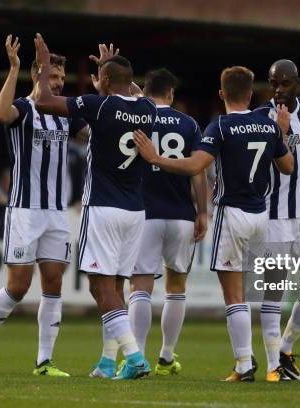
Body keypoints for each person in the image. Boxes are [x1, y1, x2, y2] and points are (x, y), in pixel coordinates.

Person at [134, 66, 294, 382]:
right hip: (260, 216)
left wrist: (156, 159)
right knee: (245, 292)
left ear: (222, 94)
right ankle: (252, 362)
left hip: (231, 214)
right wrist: (282, 133)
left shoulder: (220, 126)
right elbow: (288, 166)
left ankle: (244, 364)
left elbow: (196, 165)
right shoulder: (268, 125)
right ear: (250, 94)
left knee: (234, 296)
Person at [34, 34, 157, 380]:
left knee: (100, 288)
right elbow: (129, 91)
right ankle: (106, 362)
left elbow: (43, 100)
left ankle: (133, 359)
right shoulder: (146, 107)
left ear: (103, 82)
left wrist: (44, 65)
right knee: (116, 288)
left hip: (103, 207)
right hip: (135, 212)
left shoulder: (98, 105)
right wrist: (112, 68)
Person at [0, 35, 87, 377]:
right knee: (19, 287)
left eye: (62, 78)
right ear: (38, 75)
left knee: (54, 282)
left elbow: (96, 132)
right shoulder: (24, 108)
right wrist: (13, 69)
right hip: (24, 210)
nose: (59, 82)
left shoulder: (66, 113)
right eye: (53, 77)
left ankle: (44, 361)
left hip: (56, 211)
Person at [126, 68, 208, 376]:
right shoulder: (188, 124)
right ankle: (166, 356)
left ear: (146, 92)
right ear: (171, 94)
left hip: (144, 212)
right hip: (181, 215)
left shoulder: (137, 118)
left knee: (140, 286)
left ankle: (136, 358)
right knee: (176, 287)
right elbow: (197, 171)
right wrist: (202, 211)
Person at [252, 59, 300, 382]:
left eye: (284, 84)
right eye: (273, 83)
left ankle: (285, 348)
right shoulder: (260, 118)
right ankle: (272, 366)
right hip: (276, 217)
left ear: (297, 82)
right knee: (274, 290)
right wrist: (278, 133)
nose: (278, 90)